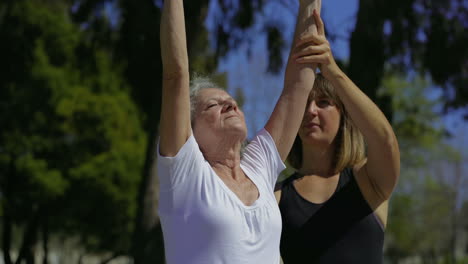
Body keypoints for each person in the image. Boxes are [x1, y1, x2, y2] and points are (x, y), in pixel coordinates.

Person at [157, 0, 321, 263]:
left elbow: (298, 86)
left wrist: (310, 4)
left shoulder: (259, 167)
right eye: (213, 105)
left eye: (232, 102)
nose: (230, 104)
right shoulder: (185, 173)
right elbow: (176, 74)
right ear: (191, 132)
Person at [275, 10, 400, 264]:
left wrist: (331, 70)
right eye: (305, 104)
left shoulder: (368, 181)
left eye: (323, 103)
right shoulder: (276, 197)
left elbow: (385, 140)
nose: (310, 111)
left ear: (344, 115)